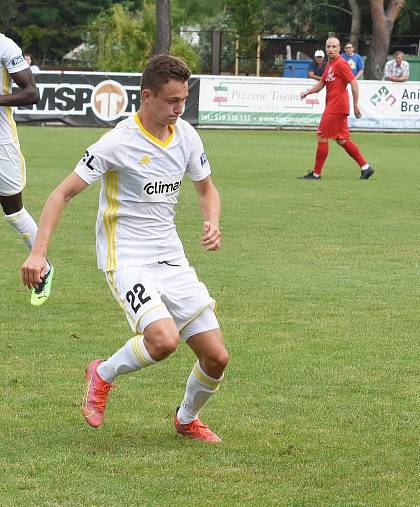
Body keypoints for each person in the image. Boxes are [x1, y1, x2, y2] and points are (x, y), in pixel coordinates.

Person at [21, 55, 229, 443]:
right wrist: (38, 253)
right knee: (164, 340)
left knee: (216, 357)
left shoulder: (186, 135)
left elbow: (206, 188)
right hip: (127, 258)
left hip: (171, 256)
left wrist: (212, 220)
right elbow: (61, 194)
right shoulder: (117, 142)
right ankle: (101, 373)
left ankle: (186, 419)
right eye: (171, 101)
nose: (179, 109)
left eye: (183, 100)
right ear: (147, 97)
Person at [1, 33, 52, 306]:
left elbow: (31, 92)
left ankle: (43, 266)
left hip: (2, 144)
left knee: (14, 211)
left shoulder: (4, 46)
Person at [298, 37, 374, 180]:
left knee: (321, 135)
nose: (330, 49)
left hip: (337, 107)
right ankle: (365, 167)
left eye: (334, 46)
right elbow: (321, 84)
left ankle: (316, 174)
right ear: (325, 48)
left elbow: (354, 83)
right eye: (328, 46)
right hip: (335, 106)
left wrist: (356, 105)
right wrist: (307, 92)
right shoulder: (329, 65)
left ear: (339, 49)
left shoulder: (341, 64)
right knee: (342, 139)